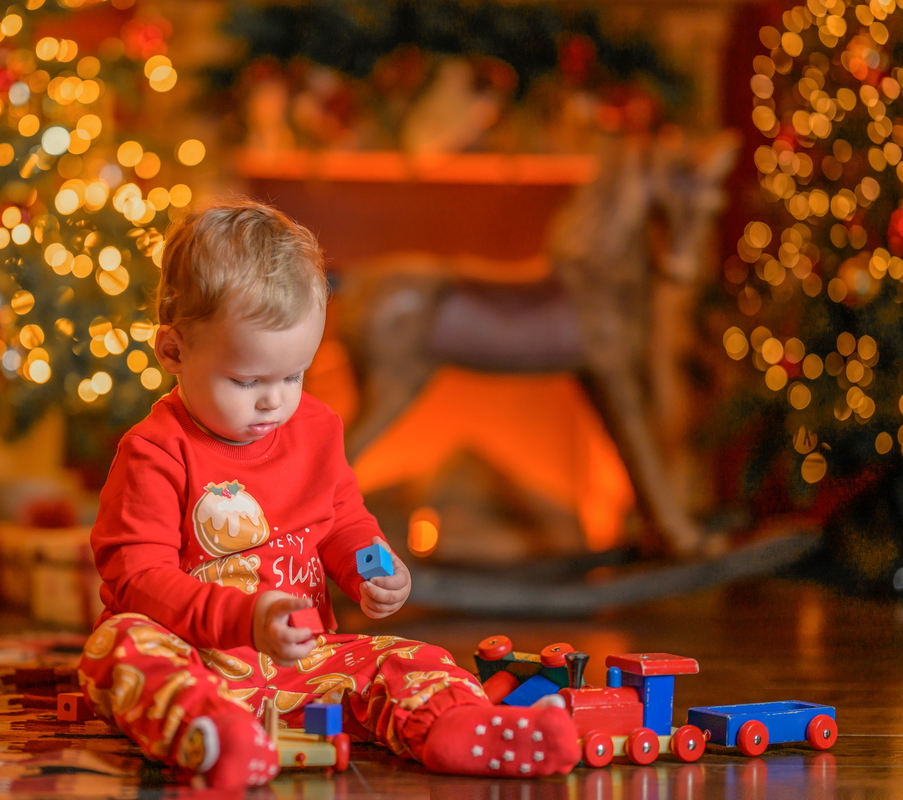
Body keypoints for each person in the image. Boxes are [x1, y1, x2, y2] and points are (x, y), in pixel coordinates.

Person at [77, 199, 579, 789]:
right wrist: (242, 617)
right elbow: (136, 578)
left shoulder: (316, 430)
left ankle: (461, 728)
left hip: (306, 664)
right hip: (197, 662)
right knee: (115, 647)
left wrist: (373, 568)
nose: (275, 401)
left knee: (407, 657)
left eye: (295, 375)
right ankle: (214, 738)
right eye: (246, 380)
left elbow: (343, 519)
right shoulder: (155, 451)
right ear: (173, 351)